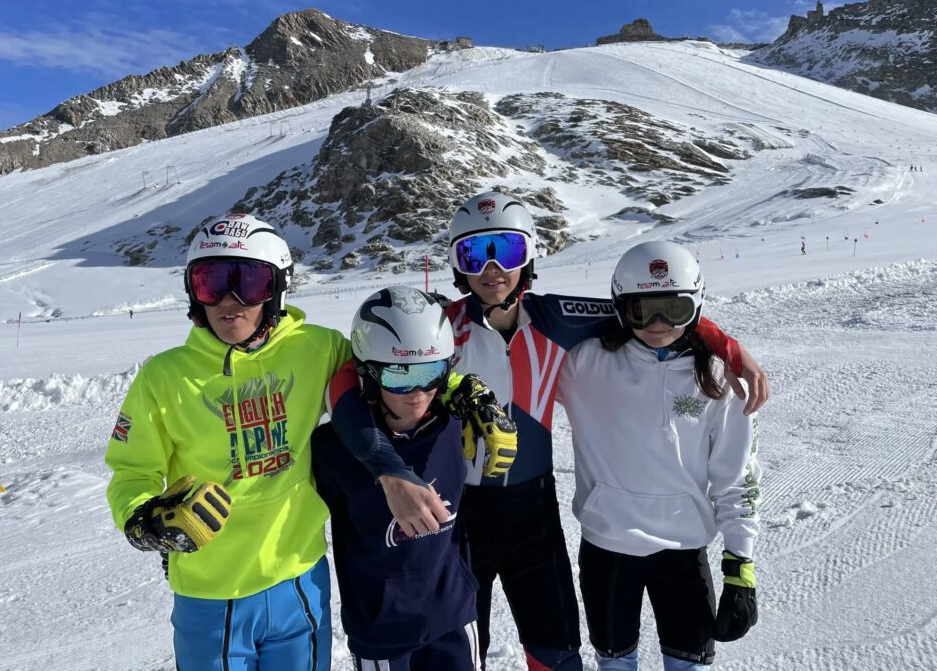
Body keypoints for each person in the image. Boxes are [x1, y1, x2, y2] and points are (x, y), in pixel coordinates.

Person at [330, 191, 770, 671]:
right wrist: (389, 468)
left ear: (530, 256)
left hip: (533, 512)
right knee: (463, 647)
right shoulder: (437, 327)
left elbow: (652, 307)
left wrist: (722, 342)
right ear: (457, 264)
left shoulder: (557, 317)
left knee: (556, 647)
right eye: (474, 254)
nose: (492, 268)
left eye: (508, 251)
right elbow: (350, 377)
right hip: (461, 512)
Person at [105, 212, 349, 671]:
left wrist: (457, 389)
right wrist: (142, 518)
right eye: (210, 282)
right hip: (210, 594)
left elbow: (389, 374)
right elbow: (131, 472)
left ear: (277, 289)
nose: (228, 301)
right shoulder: (164, 377)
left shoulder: (317, 349)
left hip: (299, 577)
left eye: (249, 282)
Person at [560, 241, 761, 670]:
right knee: (615, 664)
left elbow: (736, 478)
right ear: (620, 308)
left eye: (674, 310)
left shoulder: (719, 378)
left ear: (696, 307)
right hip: (608, 545)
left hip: (684, 548)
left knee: (689, 665)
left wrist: (740, 566)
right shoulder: (585, 364)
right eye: (642, 311)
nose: (657, 324)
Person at [314, 286, 499, 670]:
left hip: (454, 616)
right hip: (381, 629)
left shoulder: (454, 424)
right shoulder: (335, 447)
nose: (417, 393)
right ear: (369, 374)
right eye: (399, 376)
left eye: (430, 373)